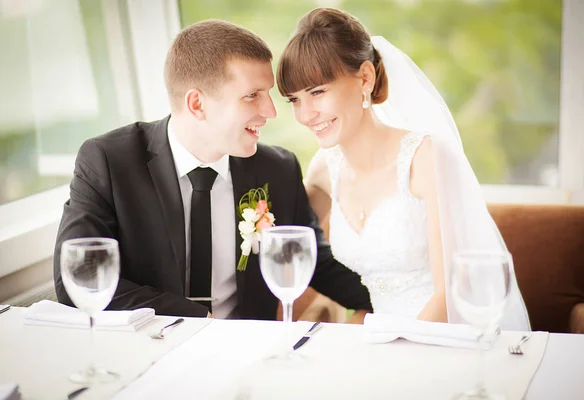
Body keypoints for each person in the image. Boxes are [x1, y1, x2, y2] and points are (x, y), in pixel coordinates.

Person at [53, 19, 372, 320]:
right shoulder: (110, 161)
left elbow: (315, 263)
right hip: (144, 353)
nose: (271, 111)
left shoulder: (278, 168)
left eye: (269, 94)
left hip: (246, 359)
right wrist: (200, 321)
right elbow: (79, 279)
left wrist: (397, 302)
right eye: (252, 96)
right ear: (197, 105)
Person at [276, 8, 530, 330]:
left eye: (317, 92)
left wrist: (395, 350)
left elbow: (449, 295)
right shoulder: (325, 169)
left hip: (440, 338)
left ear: (365, 78)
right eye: (294, 100)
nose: (305, 114)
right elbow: (287, 244)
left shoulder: (426, 157)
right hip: (379, 337)